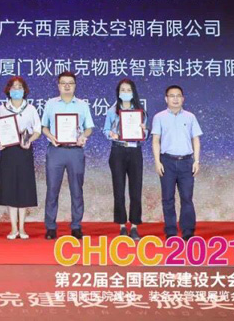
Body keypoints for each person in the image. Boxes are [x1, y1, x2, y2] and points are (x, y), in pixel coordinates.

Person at [41, 71, 94, 240]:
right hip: (56, 150)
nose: (66, 86)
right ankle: (50, 227)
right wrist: (51, 136)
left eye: (70, 83)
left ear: (75, 86)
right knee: (52, 190)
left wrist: (83, 136)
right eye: (63, 83)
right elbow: (44, 126)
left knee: (77, 190)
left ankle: (76, 226)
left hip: (75, 151)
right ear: (58, 86)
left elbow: (89, 127)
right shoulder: (50, 104)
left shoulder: (82, 105)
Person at [0, 76, 41, 240]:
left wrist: (29, 140)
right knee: (10, 189)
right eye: (14, 87)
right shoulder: (2, 108)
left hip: (24, 150)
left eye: (19, 87)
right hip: (8, 151)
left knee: (24, 189)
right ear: (8, 90)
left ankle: (22, 228)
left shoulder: (31, 109)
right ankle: (13, 228)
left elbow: (37, 130)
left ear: (24, 90)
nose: (17, 90)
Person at [152, 85, 202, 240]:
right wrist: (157, 161)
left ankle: (188, 231)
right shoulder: (159, 117)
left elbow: (196, 139)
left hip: (186, 162)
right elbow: (155, 140)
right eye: (172, 96)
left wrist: (196, 161)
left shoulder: (190, 117)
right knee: (168, 198)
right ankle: (171, 232)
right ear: (166, 99)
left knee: (187, 197)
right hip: (167, 161)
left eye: (178, 96)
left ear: (183, 98)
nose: (175, 99)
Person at [103, 78, 148, 241]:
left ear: (133, 92)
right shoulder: (112, 111)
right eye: (123, 90)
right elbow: (105, 130)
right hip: (118, 151)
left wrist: (144, 131)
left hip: (135, 151)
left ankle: (134, 226)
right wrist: (111, 134)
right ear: (118, 92)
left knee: (136, 189)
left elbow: (145, 135)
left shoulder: (140, 111)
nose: (126, 93)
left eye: (129, 90)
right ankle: (122, 225)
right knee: (119, 189)